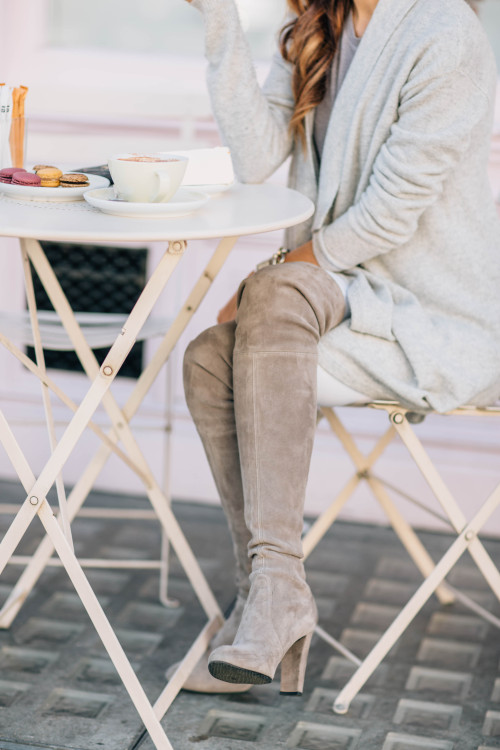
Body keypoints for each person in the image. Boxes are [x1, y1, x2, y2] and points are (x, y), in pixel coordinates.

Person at [169, 0, 500, 695]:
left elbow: (390, 210)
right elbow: (260, 157)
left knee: (271, 301)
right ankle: (267, 592)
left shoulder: (446, 32)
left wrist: (275, 276)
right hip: (331, 294)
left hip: (429, 311)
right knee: (205, 360)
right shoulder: (324, 24)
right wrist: (221, 22)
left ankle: (267, 604)